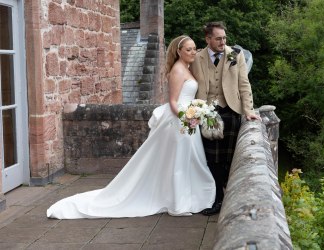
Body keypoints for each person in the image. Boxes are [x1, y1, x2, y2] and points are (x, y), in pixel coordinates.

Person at [47, 35, 216, 219]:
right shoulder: (178, 70)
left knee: (191, 160)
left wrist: (196, 114)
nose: (193, 52)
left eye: (194, 48)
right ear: (179, 51)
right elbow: (173, 102)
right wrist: (186, 118)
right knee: (180, 163)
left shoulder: (188, 68)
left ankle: (191, 198)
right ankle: (178, 204)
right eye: (188, 49)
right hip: (180, 123)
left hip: (189, 122)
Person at [190, 22, 260, 216]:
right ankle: (216, 199)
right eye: (218, 38)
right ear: (208, 39)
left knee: (228, 158)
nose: (223, 42)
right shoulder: (197, 57)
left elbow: (244, 85)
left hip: (230, 110)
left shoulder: (234, 54)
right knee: (211, 158)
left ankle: (226, 198)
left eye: (224, 38)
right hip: (207, 111)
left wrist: (249, 110)